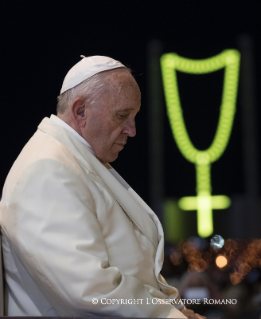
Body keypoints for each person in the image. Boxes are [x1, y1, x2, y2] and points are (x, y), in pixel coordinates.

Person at [0, 56, 204, 319]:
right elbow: (87, 289)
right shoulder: (46, 168)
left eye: (133, 117)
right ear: (81, 110)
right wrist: (169, 316)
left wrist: (174, 309)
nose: (131, 130)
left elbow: (132, 266)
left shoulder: (76, 158)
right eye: (122, 116)